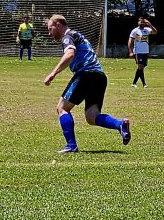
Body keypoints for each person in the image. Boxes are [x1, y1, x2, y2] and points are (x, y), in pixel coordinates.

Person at [44, 14, 131, 153]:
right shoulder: (79, 35)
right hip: (100, 76)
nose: (50, 33)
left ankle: (71, 145)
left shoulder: (68, 36)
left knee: (62, 108)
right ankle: (120, 124)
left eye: (50, 29)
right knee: (92, 117)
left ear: (58, 25)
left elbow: (70, 54)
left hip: (85, 74)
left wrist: (53, 73)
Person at [127, 16, 157, 88]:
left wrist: (150, 24)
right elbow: (130, 41)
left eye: (143, 22)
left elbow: (155, 32)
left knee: (141, 68)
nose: (142, 23)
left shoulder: (147, 30)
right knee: (140, 66)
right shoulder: (135, 31)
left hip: (145, 51)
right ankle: (144, 84)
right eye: (141, 22)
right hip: (138, 52)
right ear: (138, 22)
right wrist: (130, 51)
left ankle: (134, 83)